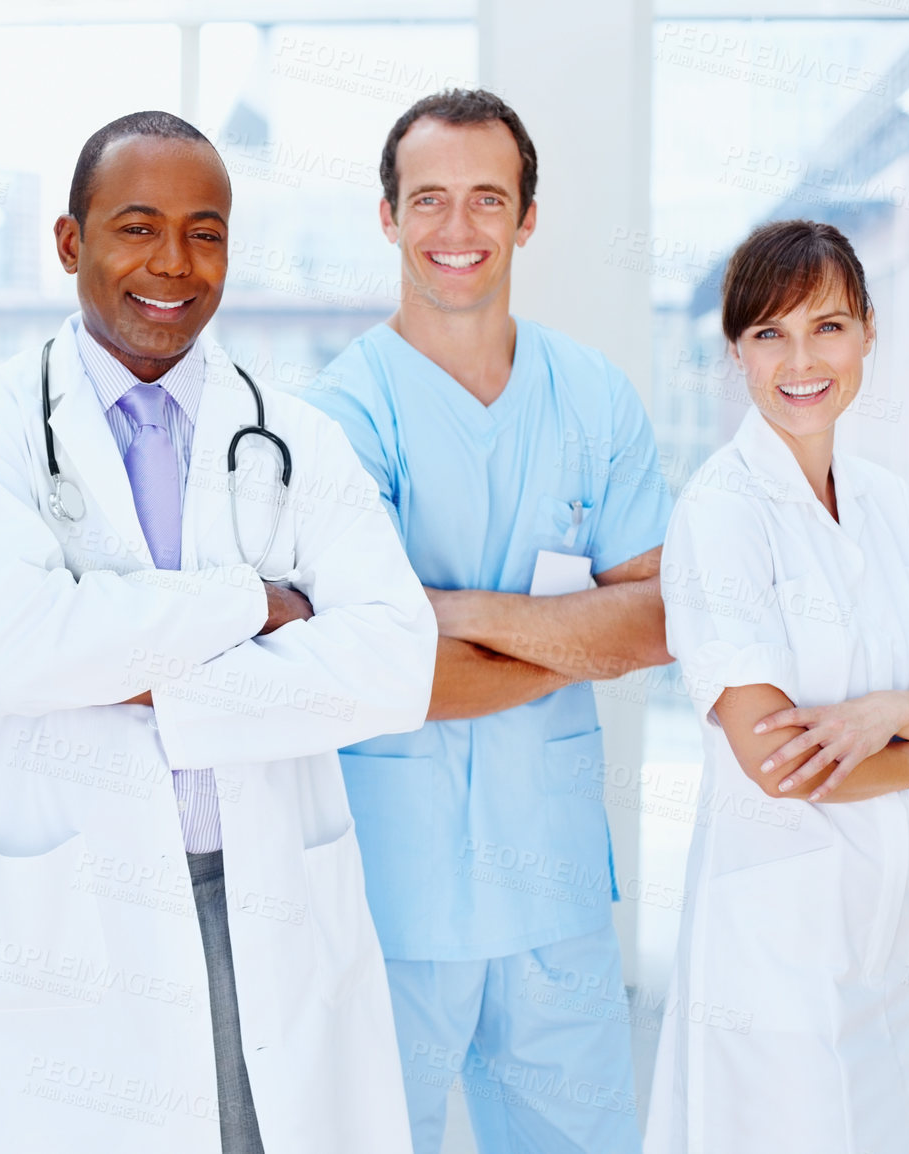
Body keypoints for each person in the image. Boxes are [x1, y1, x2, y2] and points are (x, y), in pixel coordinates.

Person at [0, 111, 436, 1154]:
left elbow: (396, 664)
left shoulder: (299, 437)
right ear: (71, 243)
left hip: (265, 887)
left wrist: (155, 681)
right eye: (136, 227)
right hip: (69, 895)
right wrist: (248, 605)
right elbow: (21, 652)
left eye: (205, 232)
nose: (172, 263)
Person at [299, 89, 675, 1154]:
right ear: (386, 217)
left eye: (484, 199)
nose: (455, 230)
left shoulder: (594, 398)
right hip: (390, 891)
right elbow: (384, 667)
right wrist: (569, 632)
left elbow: (655, 624)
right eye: (427, 199)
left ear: (527, 216)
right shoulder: (339, 416)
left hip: (550, 885)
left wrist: (446, 612)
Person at [645, 220, 909, 1154]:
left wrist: (892, 714)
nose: (802, 360)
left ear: (869, 333)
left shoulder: (886, 501)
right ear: (736, 352)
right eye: (770, 334)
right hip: (772, 933)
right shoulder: (721, 513)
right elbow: (777, 762)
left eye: (828, 327)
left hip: (884, 916)